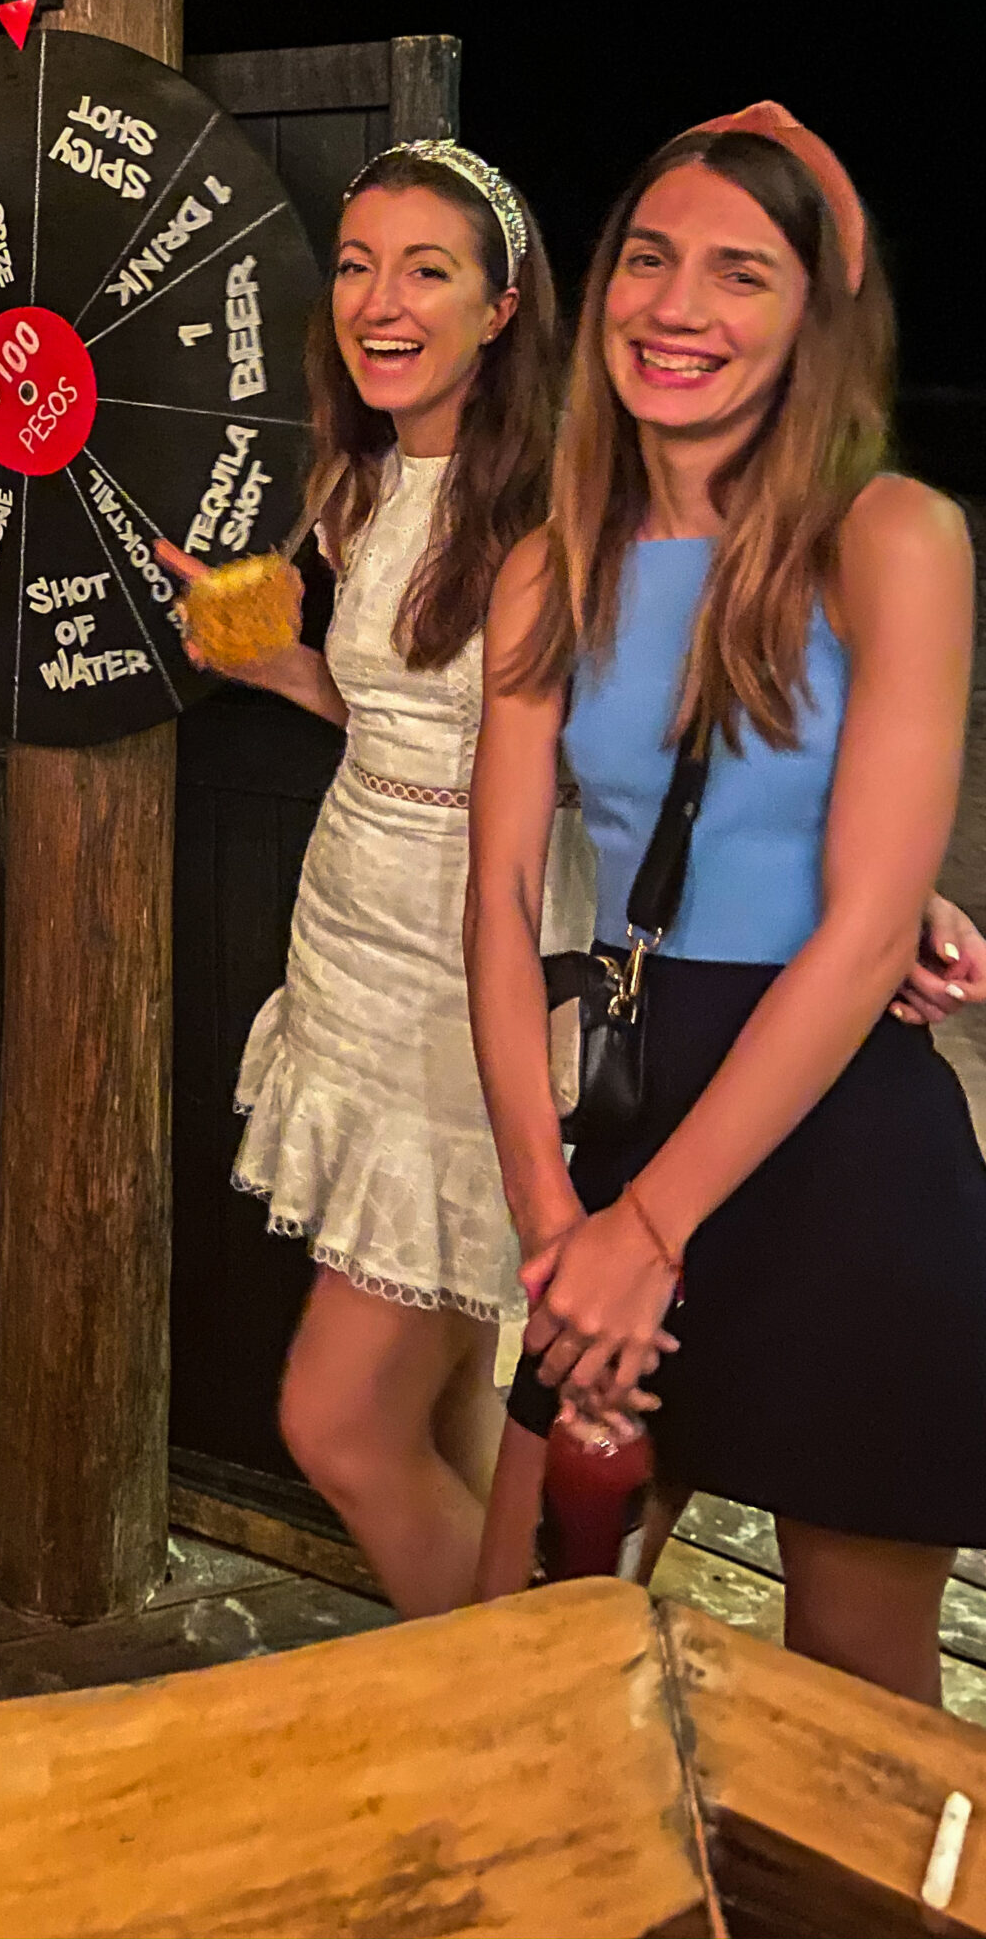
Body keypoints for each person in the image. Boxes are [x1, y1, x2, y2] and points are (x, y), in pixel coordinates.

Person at [467, 103, 986, 1702]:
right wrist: (559, 1223)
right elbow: (494, 901)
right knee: (529, 1642)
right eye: (649, 257)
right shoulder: (550, 566)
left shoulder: (892, 538)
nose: (677, 306)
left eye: (741, 274)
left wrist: (650, 1228)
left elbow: (865, 921)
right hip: (629, 1094)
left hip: (839, 1138)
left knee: (850, 1710)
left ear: (816, 320)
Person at [159, 141, 598, 1615]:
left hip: (473, 969)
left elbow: (612, 758)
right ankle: (518, 1678)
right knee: (461, 1404)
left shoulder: (553, 511)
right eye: (356, 265)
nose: (381, 300)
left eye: (427, 268)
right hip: (349, 927)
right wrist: (263, 653)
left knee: (337, 1422)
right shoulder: (359, 482)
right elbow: (396, 711)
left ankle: (500, 1702)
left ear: (503, 306)